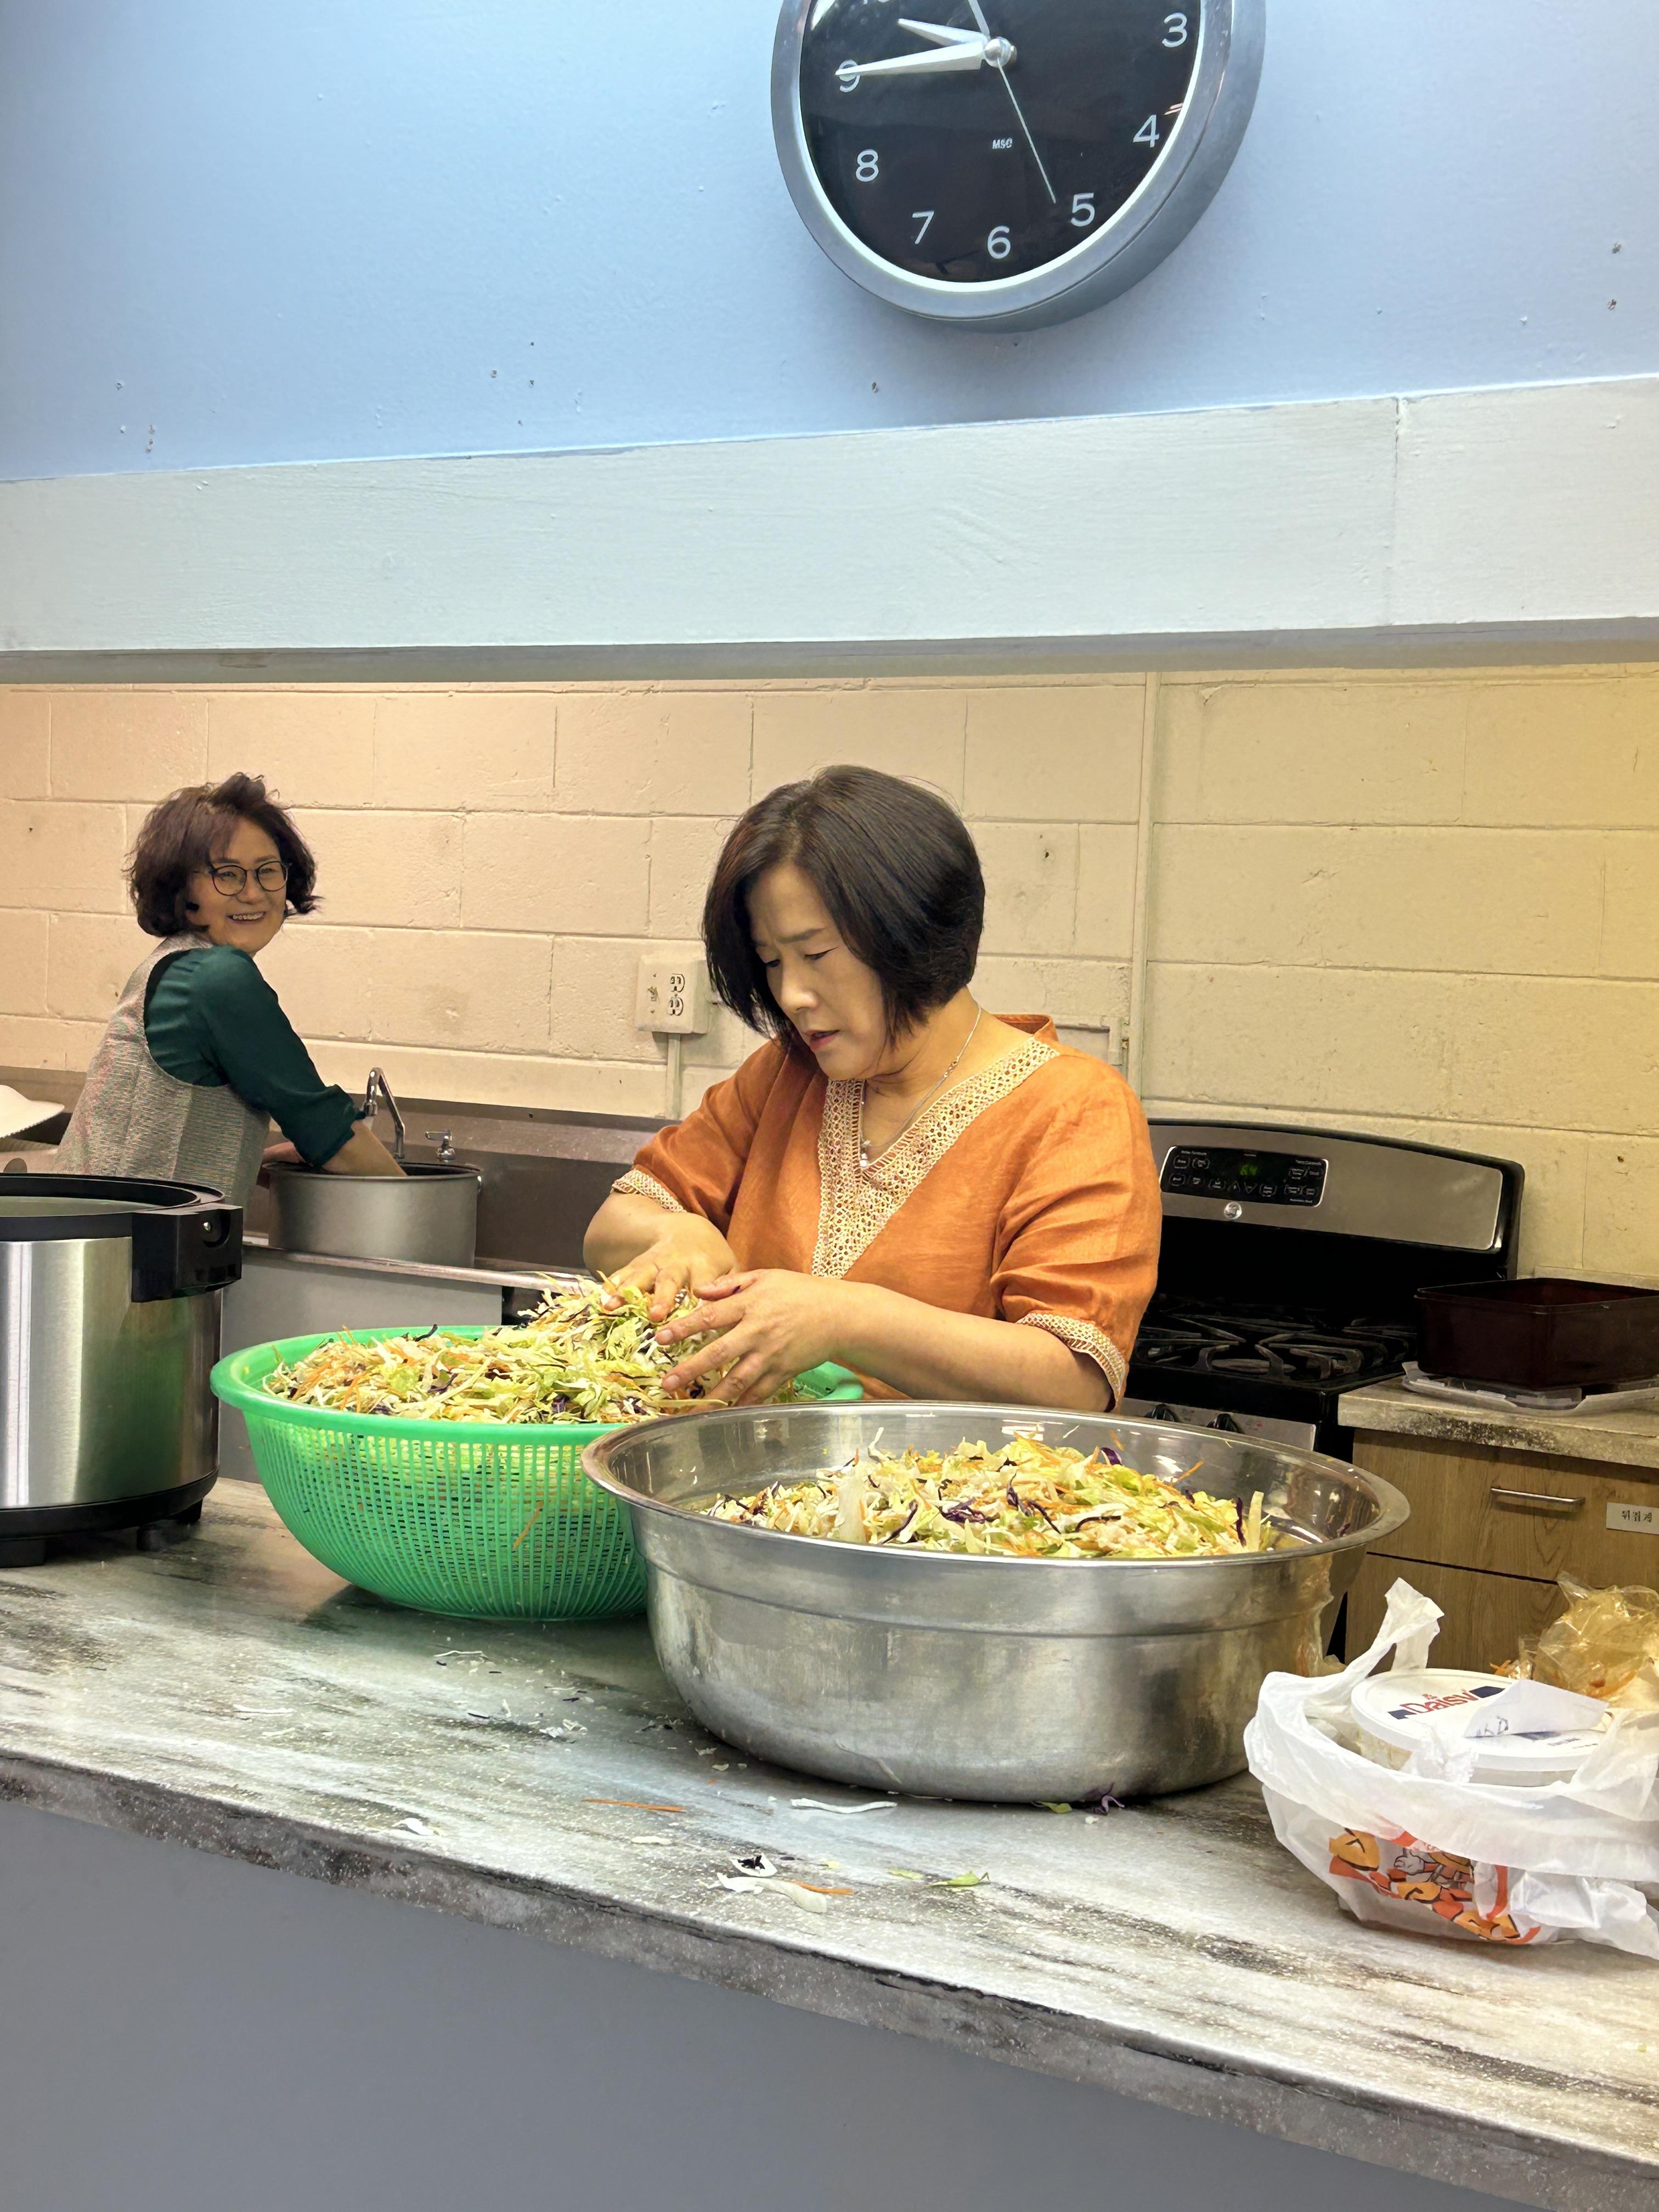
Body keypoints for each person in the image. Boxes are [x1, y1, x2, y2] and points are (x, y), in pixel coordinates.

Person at [584, 765, 1160, 1408]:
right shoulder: (785, 1075)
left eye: (816, 954)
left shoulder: (1075, 1108)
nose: (791, 995)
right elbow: (612, 1223)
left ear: (912, 933)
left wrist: (847, 1318)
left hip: (940, 1472)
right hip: (745, 1464)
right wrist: (674, 1234)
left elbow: (1075, 1381)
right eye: (772, 961)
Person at [56, 774, 401, 1206]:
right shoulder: (217, 978)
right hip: (126, 1244)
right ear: (183, 889)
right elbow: (322, 1124)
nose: (253, 893)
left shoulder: (173, 966)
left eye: (267, 871)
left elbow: (146, 1136)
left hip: (92, 1232)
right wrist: (419, 1206)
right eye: (227, 875)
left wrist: (250, 1161)